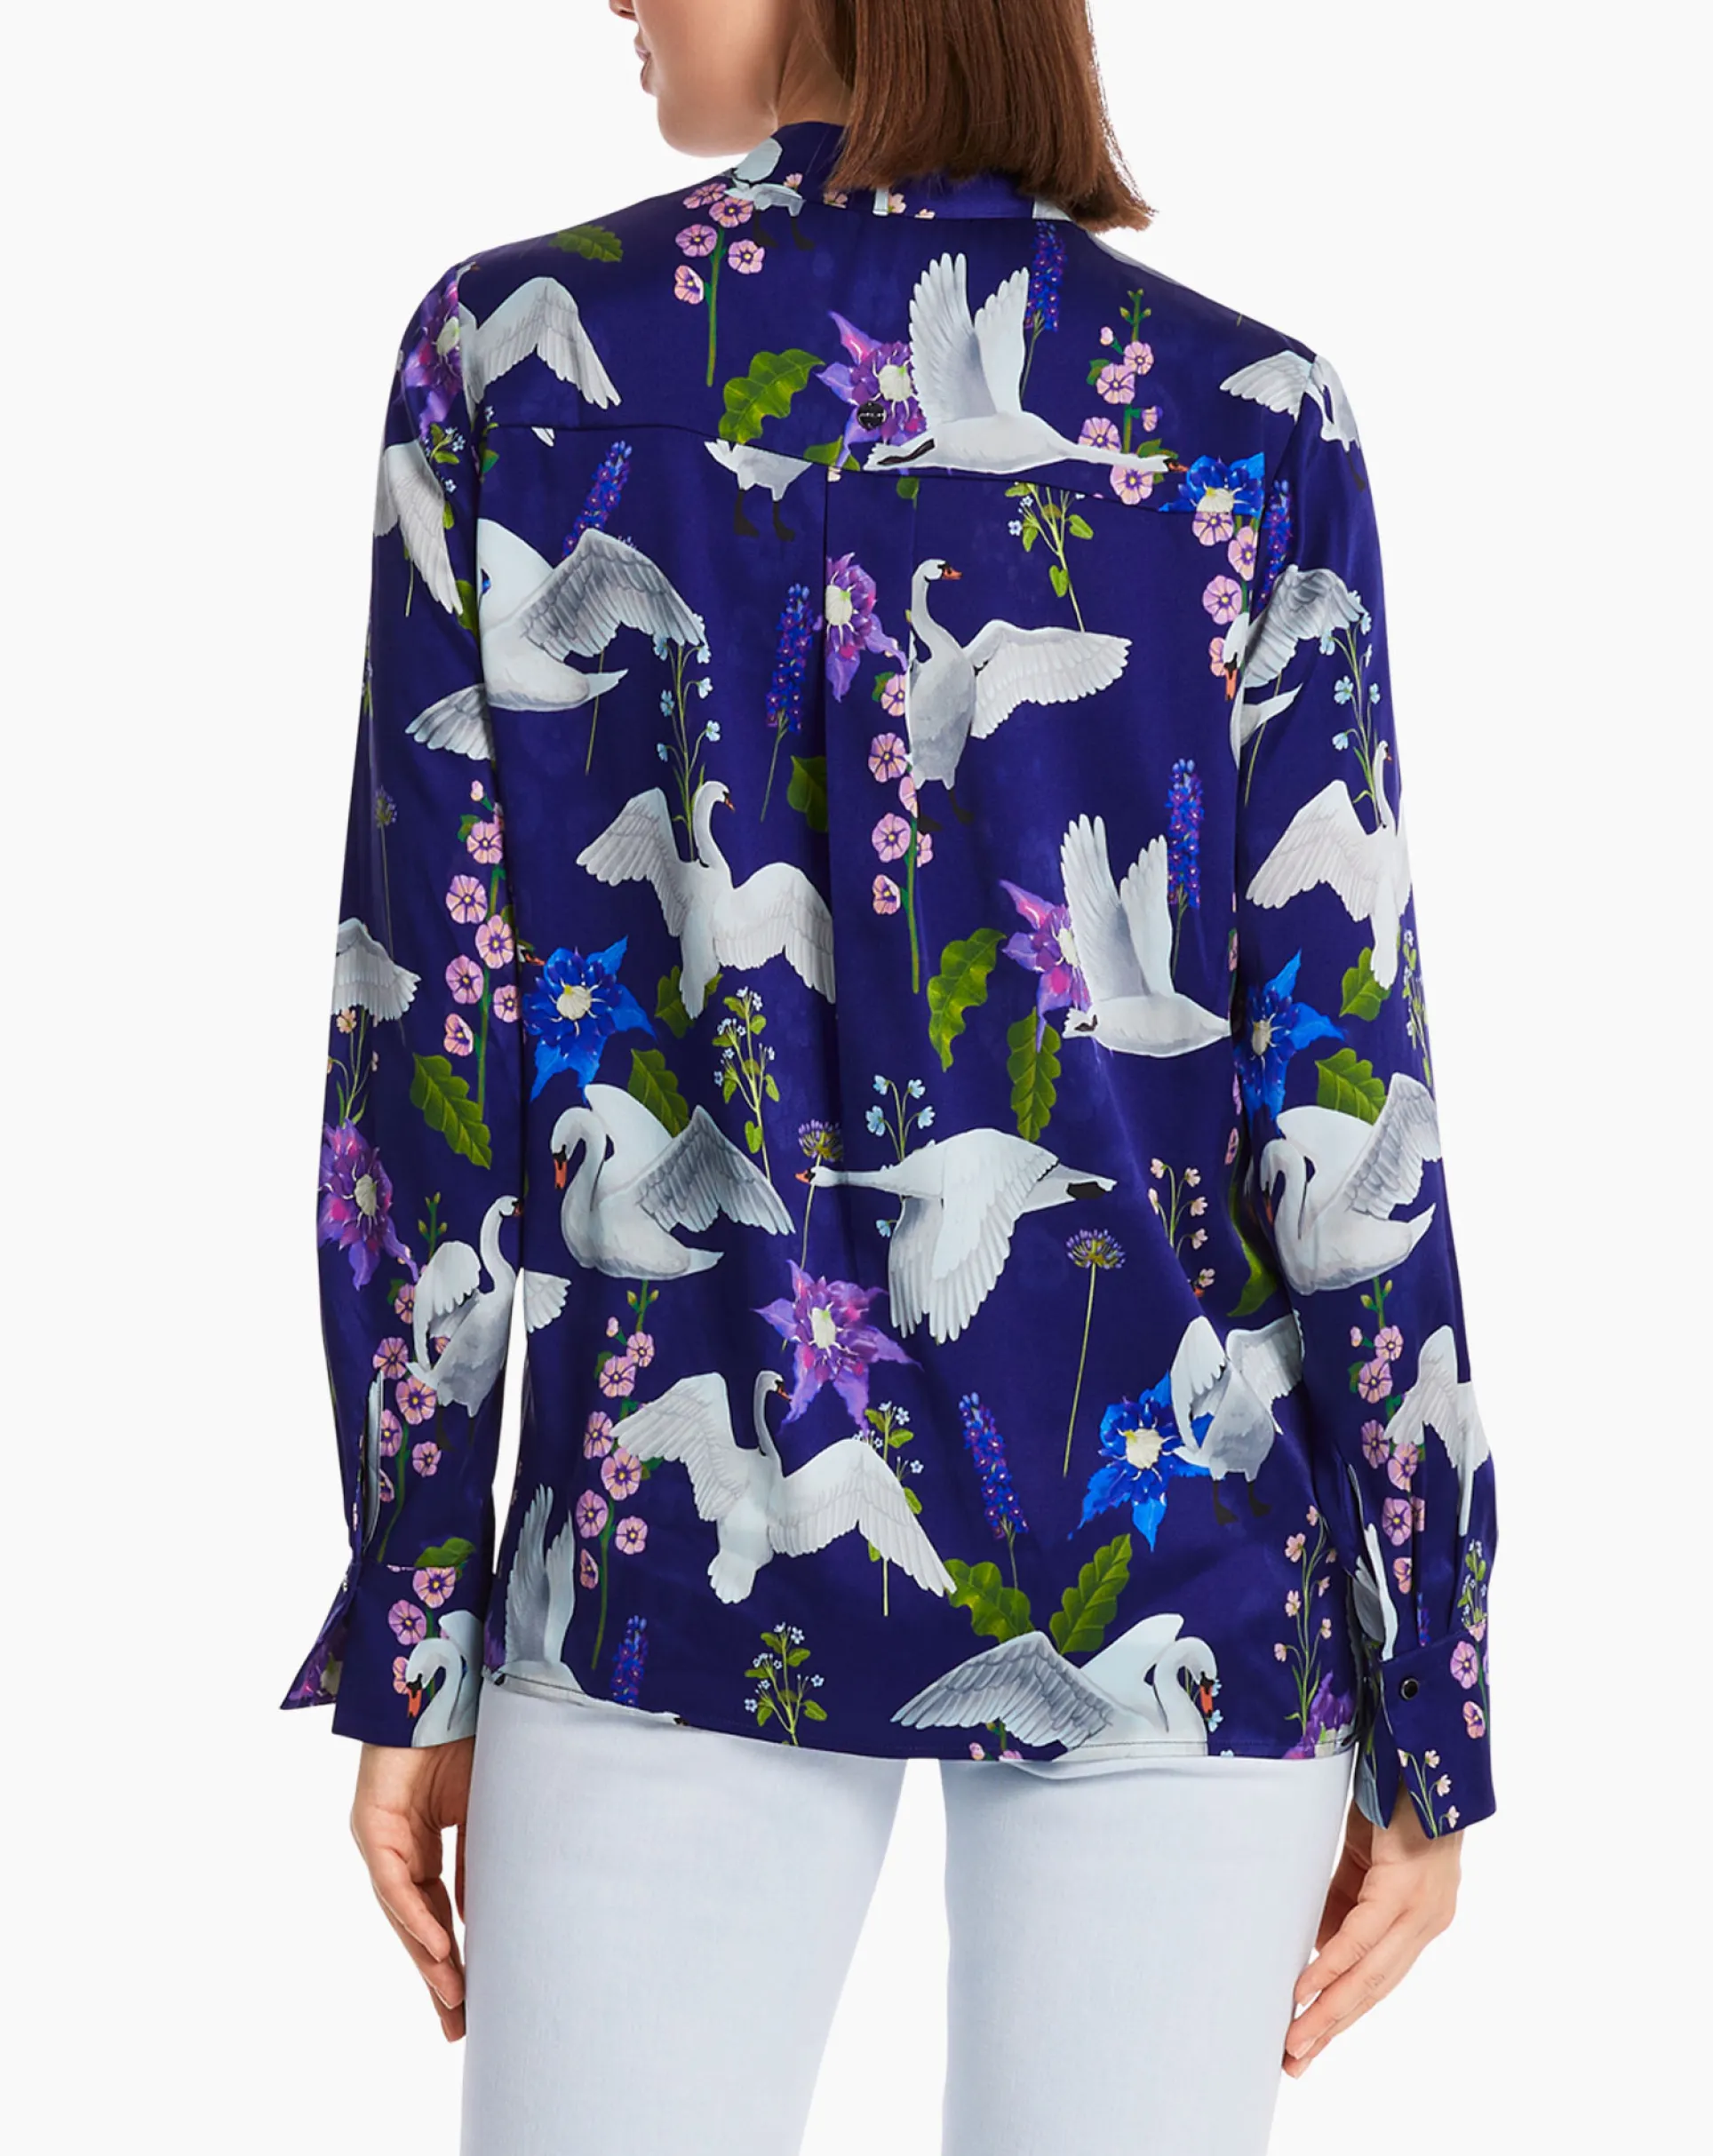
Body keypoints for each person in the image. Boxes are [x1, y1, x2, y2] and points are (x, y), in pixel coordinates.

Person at [281, 3, 1501, 2148]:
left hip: (671, 1563)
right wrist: (1433, 1681)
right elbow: (1340, 1086)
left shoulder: (512, 363)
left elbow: (427, 1055)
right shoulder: (1242, 416)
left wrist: (422, 1617)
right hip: (1179, 1565)